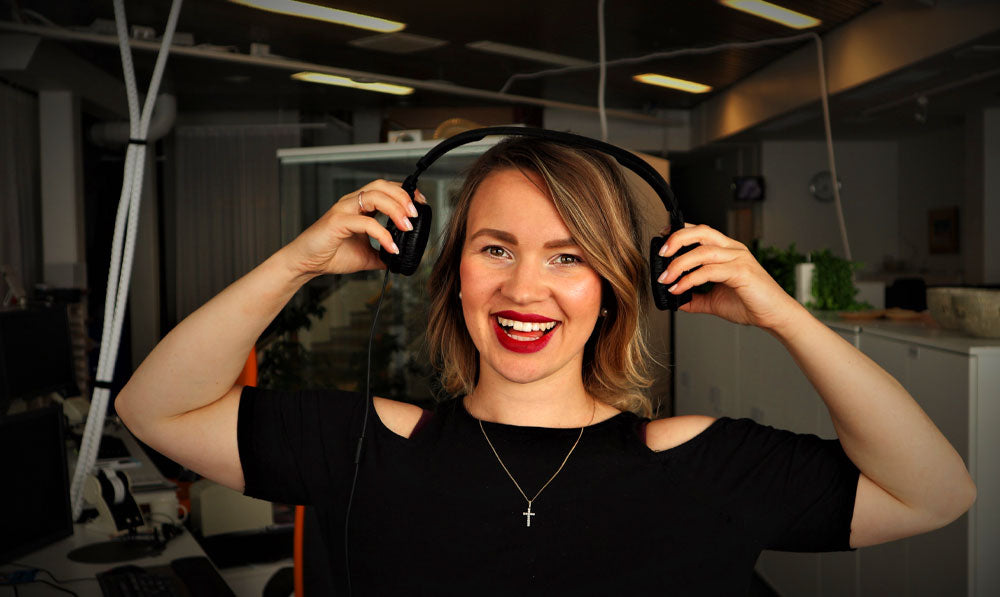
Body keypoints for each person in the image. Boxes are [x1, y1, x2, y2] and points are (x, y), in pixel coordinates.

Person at [116, 137, 975, 595]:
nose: (525, 287)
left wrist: (785, 314)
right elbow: (157, 409)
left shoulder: (702, 461)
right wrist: (300, 259)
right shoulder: (373, 443)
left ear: (615, 287)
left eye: (568, 256)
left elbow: (935, 491)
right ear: (452, 272)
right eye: (496, 247)